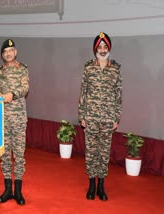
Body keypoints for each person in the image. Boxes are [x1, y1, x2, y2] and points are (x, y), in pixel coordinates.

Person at [78, 32, 123, 201]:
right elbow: (83, 92)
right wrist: (82, 115)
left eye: (105, 47)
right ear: (95, 49)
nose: (102, 50)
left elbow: (118, 95)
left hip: (107, 118)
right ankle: (91, 184)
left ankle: (101, 186)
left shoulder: (115, 69)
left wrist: (116, 118)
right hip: (90, 117)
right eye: (99, 47)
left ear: (109, 49)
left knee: (104, 153)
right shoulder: (88, 68)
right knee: (90, 152)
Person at [0, 39, 29, 205]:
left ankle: (18, 191)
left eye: (11, 50)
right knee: (5, 154)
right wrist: (1, 96)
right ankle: (8, 189)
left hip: (19, 118)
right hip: (3, 118)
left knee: (19, 154)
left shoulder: (22, 69)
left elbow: (25, 88)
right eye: (5, 51)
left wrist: (12, 95)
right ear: (2, 55)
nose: (8, 53)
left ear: (15, 52)